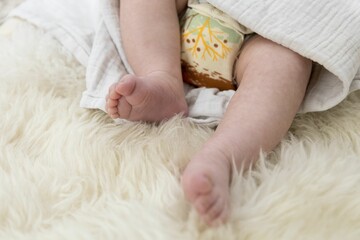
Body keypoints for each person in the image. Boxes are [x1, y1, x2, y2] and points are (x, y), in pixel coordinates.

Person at [106, 0, 312, 226]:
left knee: (286, 62)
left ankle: (221, 156)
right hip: (187, 16)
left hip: (264, 36)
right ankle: (161, 76)